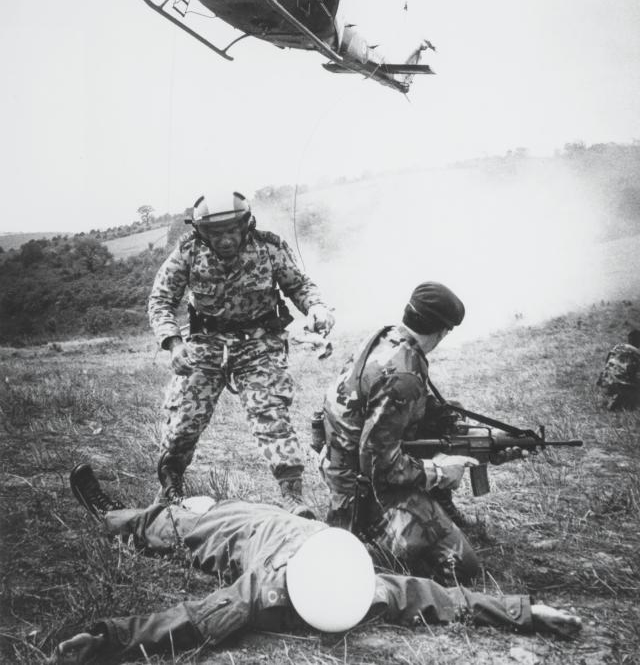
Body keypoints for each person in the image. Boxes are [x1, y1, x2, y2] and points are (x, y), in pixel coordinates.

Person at [53, 464, 581, 663]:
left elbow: (441, 597)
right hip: (253, 529)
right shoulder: (266, 592)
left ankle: (149, 514)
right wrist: (107, 640)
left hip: (302, 531)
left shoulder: (360, 586)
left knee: (194, 517)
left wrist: (529, 612)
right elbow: (191, 619)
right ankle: (116, 518)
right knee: (181, 525)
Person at [148, 190, 334, 517]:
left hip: (260, 342)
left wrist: (317, 308)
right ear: (202, 233)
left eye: (232, 231)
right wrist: (174, 343)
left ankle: (293, 497)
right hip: (206, 342)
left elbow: (300, 287)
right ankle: (170, 486)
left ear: (245, 224)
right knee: (185, 419)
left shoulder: (269, 248)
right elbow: (160, 299)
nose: (225, 240)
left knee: (271, 414)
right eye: (216, 234)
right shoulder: (188, 253)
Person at [322, 281, 485, 581]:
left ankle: (432, 507)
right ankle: (365, 545)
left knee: (451, 415)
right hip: (362, 492)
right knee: (464, 566)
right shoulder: (404, 373)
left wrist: (481, 441)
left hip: (342, 462)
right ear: (441, 331)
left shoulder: (387, 339)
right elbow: (378, 466)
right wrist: (438, 471)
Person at [596, 329, 640, 410]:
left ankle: (606, 397)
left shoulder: (617, 347)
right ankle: (620, 400)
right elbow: (634, 373)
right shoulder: (637, 353)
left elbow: (607, 362)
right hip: (620, 383)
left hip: (604, 380)